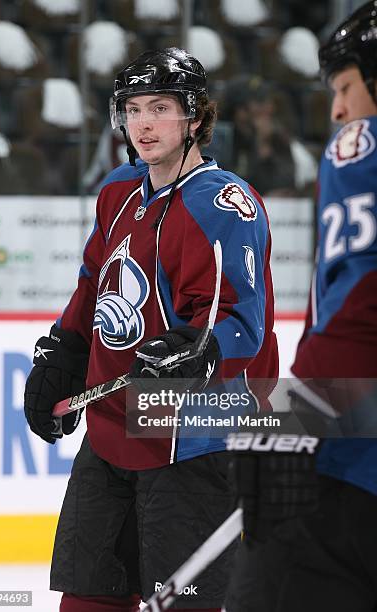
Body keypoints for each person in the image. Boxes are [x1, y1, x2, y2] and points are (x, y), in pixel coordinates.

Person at [23, 47, 278, 612]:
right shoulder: (118, 190)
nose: (142, 123)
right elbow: (94, 285)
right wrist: (63, 351)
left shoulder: (223, 205)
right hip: (113, 434)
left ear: (194, 116)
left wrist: (199, 351)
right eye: (132, 109)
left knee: (184, 603)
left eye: (159, 107)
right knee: (88, 596)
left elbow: (241, 321)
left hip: (192, 442)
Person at [225, 2, 377, 610]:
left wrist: (291, 418)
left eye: (346, 86)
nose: (338, 110)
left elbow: (364, 297)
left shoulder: (359, 146)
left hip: (351, 472)